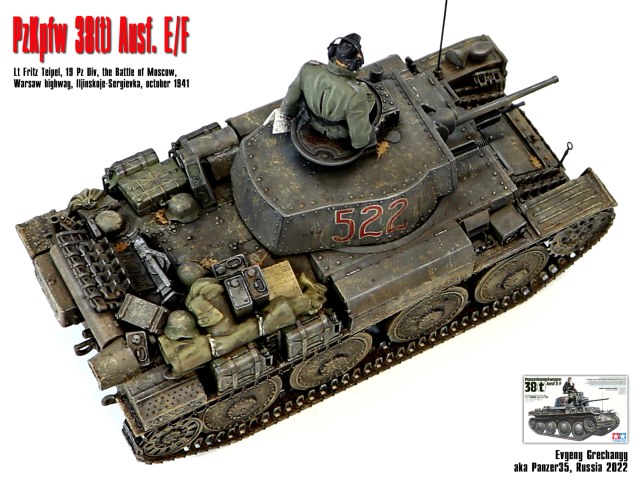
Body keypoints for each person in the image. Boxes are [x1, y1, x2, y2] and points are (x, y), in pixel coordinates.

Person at [280, 33, 375, 149]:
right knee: (369, 98)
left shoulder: (308, 68)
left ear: (332, 51)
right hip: (336, 133)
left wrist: (287, 114)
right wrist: (363, 142)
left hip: (307, 119)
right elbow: (359, 140)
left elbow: (289, 102)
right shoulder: (356, 94)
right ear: (355, 63)